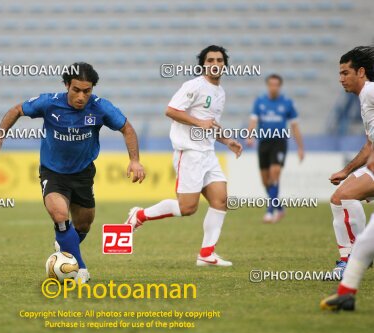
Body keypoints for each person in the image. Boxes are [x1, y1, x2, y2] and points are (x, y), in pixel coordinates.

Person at [0, 62, 145, 283]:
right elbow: (16, 110)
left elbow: (126, 128)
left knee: (84, 224)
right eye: (76, 90)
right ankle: (80, 269)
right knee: (60, 217)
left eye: (87, 91)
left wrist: (135, 161)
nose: (81, 96)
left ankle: (64, 245)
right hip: (53, 172)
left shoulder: (101, 107)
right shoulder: (49, 103)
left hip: (83, 174)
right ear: (66, 85)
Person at [125, 45, 242, 266]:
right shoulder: (194, 86)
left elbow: (211, 123)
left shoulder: (220, 92)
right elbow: (171, 110)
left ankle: (206, 255)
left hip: (208, 153)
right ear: (203, 64)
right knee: (187, 208)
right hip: (189, 152)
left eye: (219, 60)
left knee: (221, 201)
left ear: (224, 64)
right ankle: (139, 216)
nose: (215, 64)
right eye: (210, 61)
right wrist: (199, 122)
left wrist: (227, 141)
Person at [320, 46, 374, 311]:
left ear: (361, 72)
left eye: (345, 72)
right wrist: (347, 171)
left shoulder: (371, 92)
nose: (341, 78)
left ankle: (349, 261)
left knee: (343, 196)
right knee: (338, 197)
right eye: (339, 73)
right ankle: (347, 262)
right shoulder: (365, 98)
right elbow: (369, 145)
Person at [246, 74, 305, 223]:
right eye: (271, 84)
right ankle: (279, 207)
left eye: (276, 85)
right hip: (264, 143)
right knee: (265, 181)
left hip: (279, 142)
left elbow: (295, 126)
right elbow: (253, 121)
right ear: (268, 86)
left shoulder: (287, 103)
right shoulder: (259, 102)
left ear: (280, 86)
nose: (274, 87)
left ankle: (269, 212)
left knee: (275, 173)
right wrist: (250, 136)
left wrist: (300, 147)